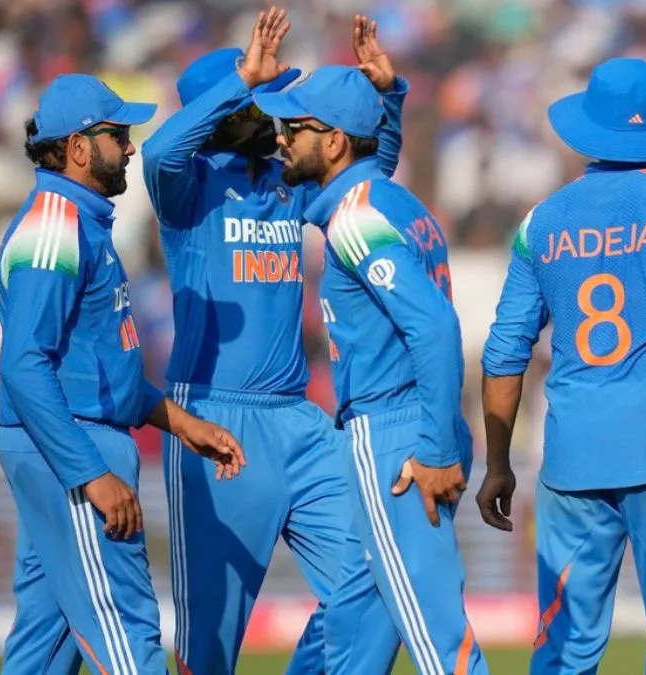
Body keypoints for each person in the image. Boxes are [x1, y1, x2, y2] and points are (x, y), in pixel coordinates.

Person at [139, 8, 407, 672]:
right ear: (228, 110)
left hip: (299, 420)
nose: (281, 118)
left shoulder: (287, 182)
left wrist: (390, 99)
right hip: (214, 424)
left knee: (378, 578)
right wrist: (241, 80)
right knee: (207, 650)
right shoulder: (190, 189)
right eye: (265, 103)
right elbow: (158, 153)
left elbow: (369, 175)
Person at [477, 57, 646, 675]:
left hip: (571, 458)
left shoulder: (541, 220)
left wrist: (498, 463)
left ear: (589, 126)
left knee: (564, 647)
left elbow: (505, 350)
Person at [0, 73, 246, 675]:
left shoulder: (80, 222)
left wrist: (182, 424)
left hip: (74, 437)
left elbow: (103, 374)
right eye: (117, 135)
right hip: (75, 446)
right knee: (128, 631)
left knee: (45, 644)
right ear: (79, 148)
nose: (130, 147)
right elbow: (23, 364)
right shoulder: (54, 227)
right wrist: (90, 474)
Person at [253, 64, 488, 674]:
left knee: (437, 638)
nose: (281, 138)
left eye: (295, 128)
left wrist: (434, 449)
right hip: (414, 425)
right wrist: (390, 96)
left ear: (334, 141)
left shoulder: (356, 219)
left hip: (396, 438)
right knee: (352, 628)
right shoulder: (394, 201)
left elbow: (435, 328)